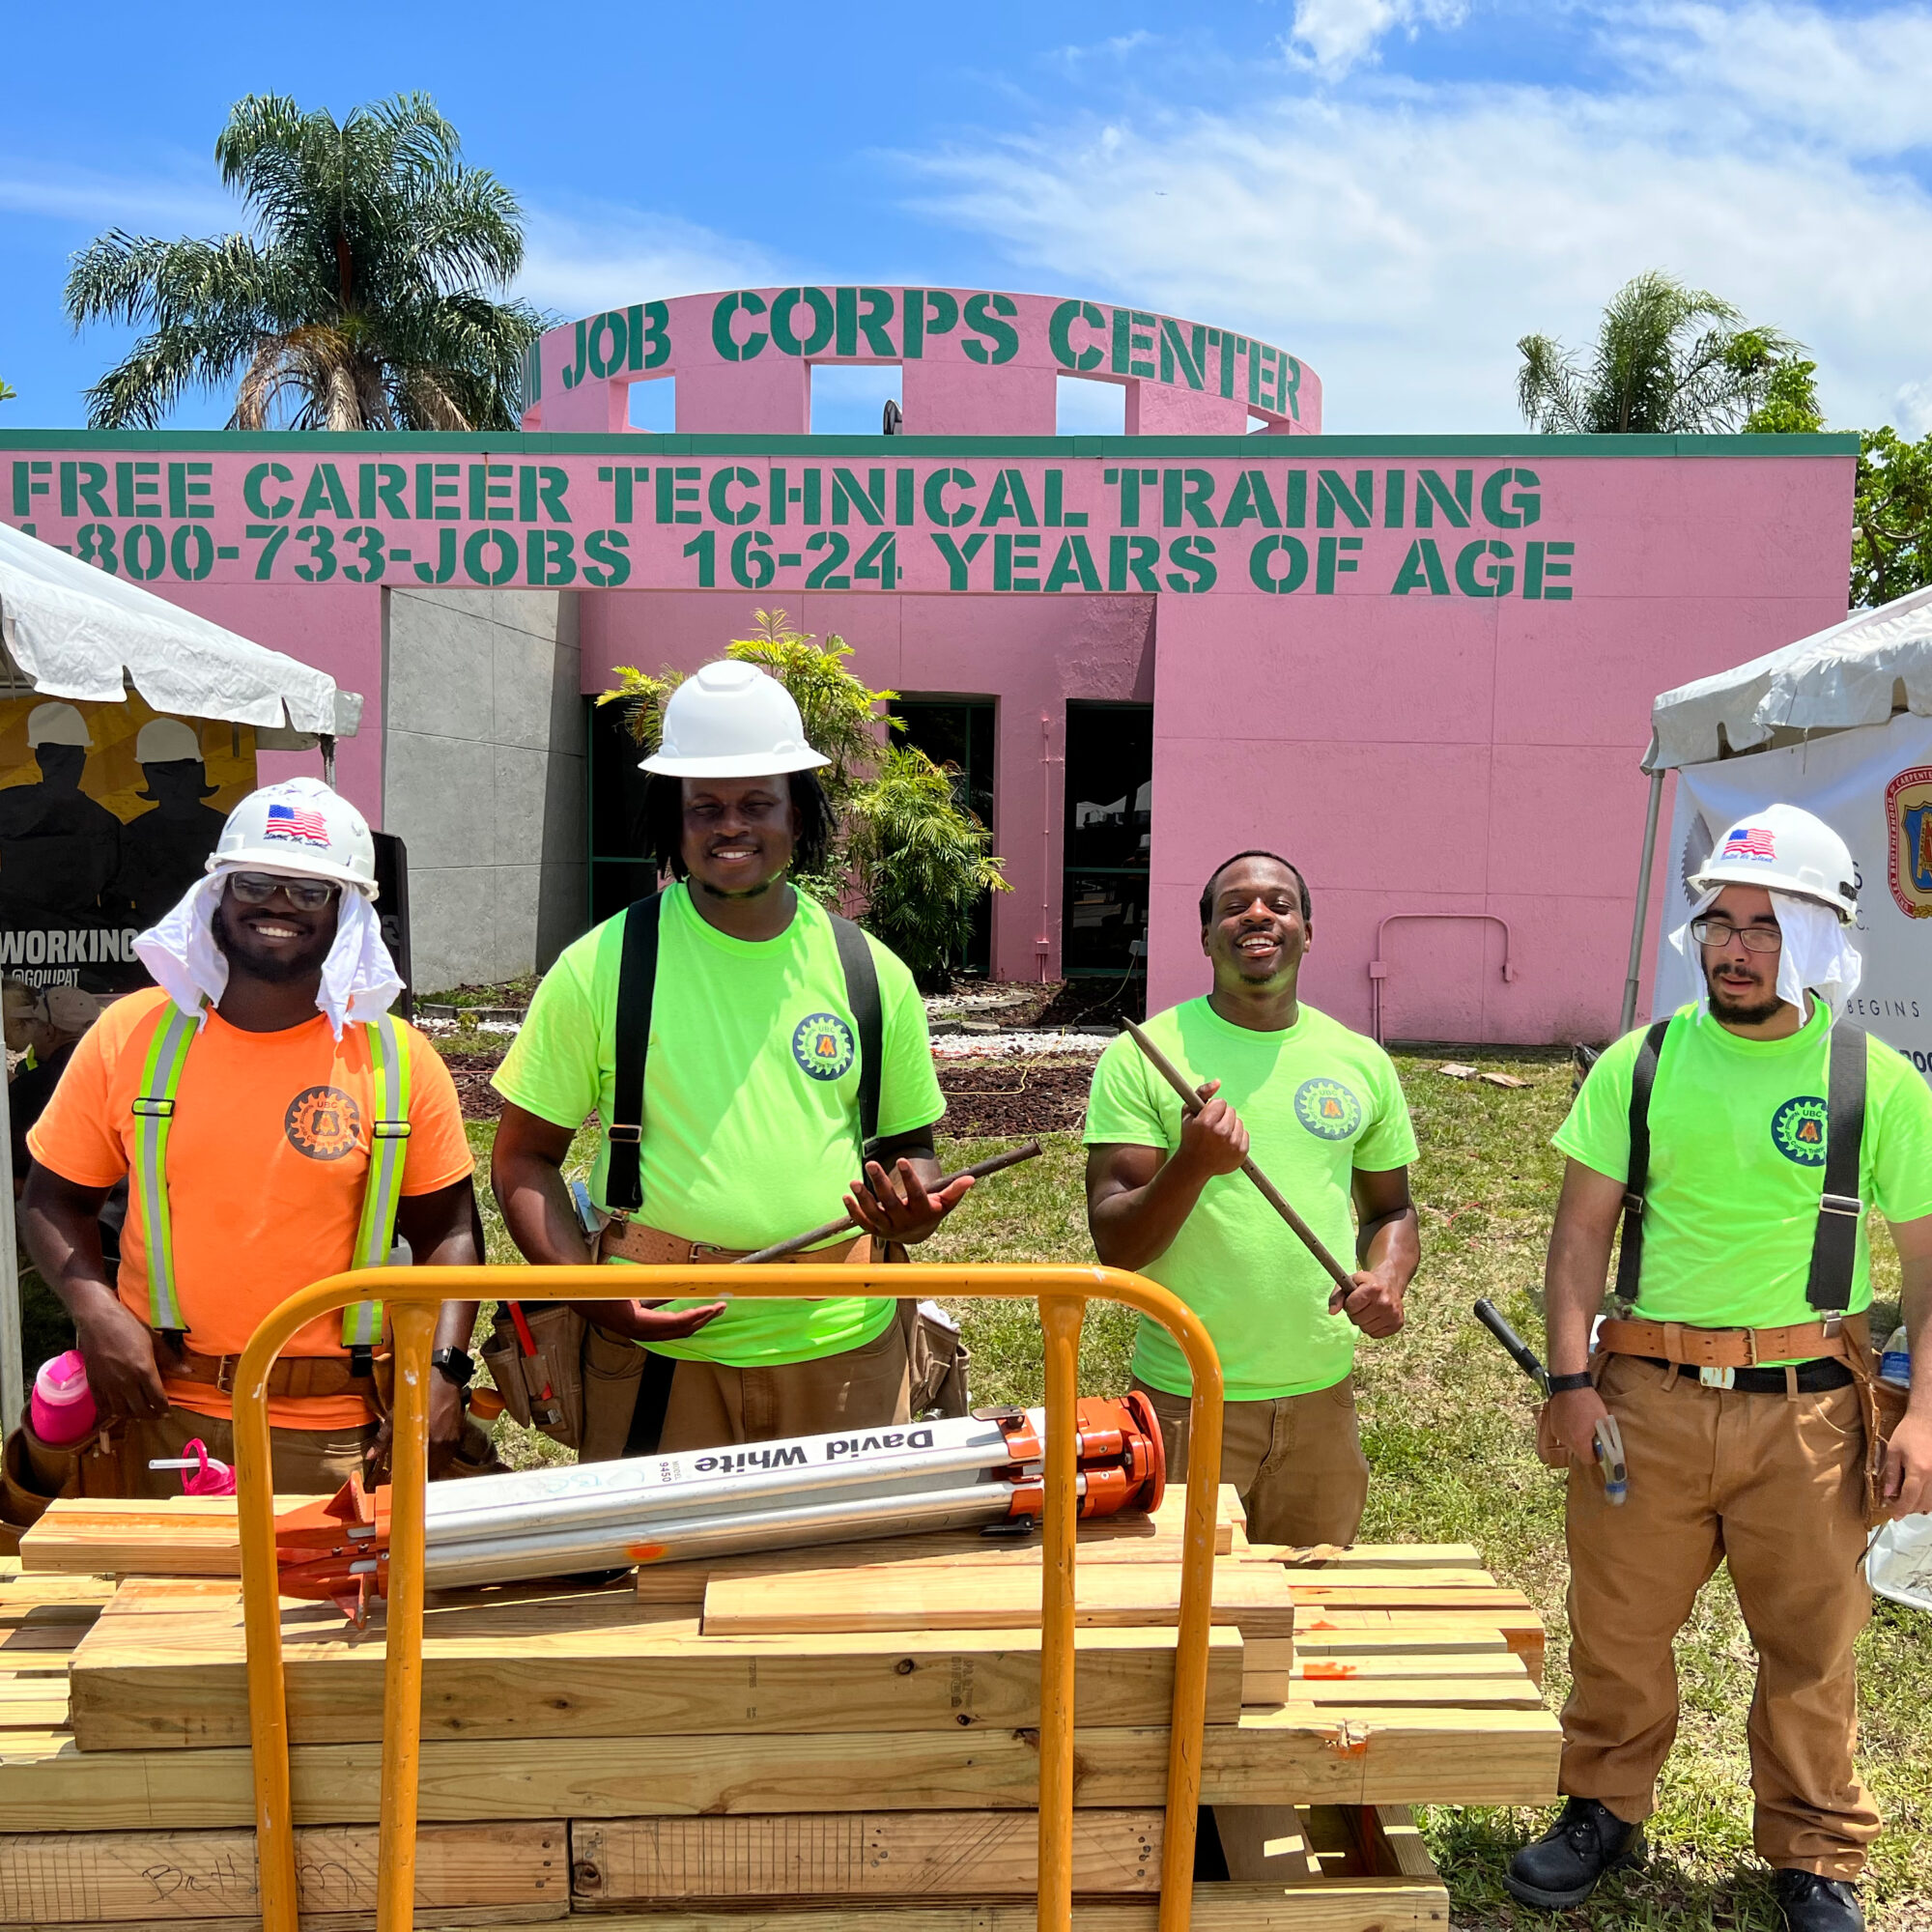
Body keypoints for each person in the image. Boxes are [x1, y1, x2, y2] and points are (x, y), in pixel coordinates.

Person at [1505, 805, 1932, 1932]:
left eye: (1764, 925)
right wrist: (1567, 1380)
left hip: (1808, 1413)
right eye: (1719, 921)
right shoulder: (1640, 1064)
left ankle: (1810, 1850)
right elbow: (1577, 1239)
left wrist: (1922, 1416)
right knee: (1617, 1626)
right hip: (1641, 1400)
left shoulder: (1873, 1080)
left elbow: (1928, 1268)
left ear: (1818, 938)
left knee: (1810, 1642)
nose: (1733, 947)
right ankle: (1601, 1805)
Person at [491, 660, 968, 1453]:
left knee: (835, 1575)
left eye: (757, 804)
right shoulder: (601, 966)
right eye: (704, 806)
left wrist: (911, 1203)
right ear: (672, 821)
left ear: (799, 816)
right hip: (657, 1359)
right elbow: (524, 1162)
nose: (730, 826)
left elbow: (907, 1147)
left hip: (847, 1353)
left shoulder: (869, 973)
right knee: (660, 1577)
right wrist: (588, 1295)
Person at [17, 777, 488, 1498]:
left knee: (333, 1611)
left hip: (337, 1428)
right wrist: (96, 1310)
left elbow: (447, 1232)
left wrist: (444, 1370)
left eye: (310, 892)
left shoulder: (397, 1060)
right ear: (217, 896)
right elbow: (53, 1198)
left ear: (347, 913)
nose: (278, 904)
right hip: (162, 1414)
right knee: (156, 1612)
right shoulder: (132, 1036)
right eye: (257, 882)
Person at [1083, 849, 1419, 1547]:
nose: (1258, 915)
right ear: (1206, 936)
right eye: (1234, 906)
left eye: (1278, 903)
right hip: (1187, 1394)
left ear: (1307, 930)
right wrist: (1193, 1166)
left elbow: (1391, 1210)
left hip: (1321, 1396)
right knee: (1181, 1622)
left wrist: (1387, 1278)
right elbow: (1117, 1242)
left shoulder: (1359, 1061)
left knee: (1312, 1612)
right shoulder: (1150, 1054)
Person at [112, 718, 229, 927]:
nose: (174, 783)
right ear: (149, 777)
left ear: (198, 772)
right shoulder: (134, 834)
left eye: (181, 771)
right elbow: (118, 901)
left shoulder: (225, 829)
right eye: (162, 773)